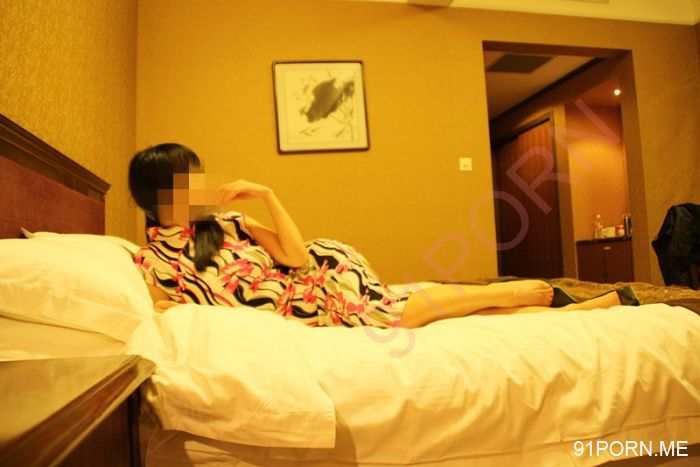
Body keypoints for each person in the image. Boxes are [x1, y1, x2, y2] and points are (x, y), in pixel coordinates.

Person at [128, 143, 638, 329]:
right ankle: (570, 311)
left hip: (323, 279)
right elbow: (163, 309)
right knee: (435, 315)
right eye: (186, 180)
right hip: (303, 311)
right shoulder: (151, 260)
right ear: (157, 194)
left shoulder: (228, 223)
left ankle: (507, 293)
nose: (199, 186)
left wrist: (267, 194)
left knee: (402, 310)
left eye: (197, 176)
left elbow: (298, 256)